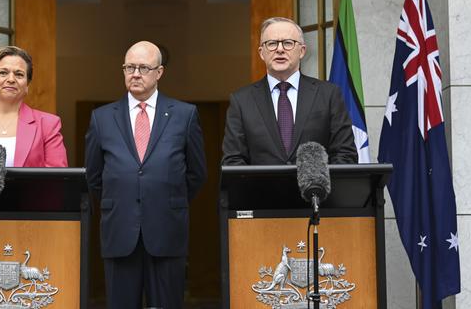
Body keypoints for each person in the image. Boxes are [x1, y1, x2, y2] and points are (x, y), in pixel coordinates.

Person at [85, 41, 207, 309]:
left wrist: (166, 199)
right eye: (129, 67)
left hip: (167, 230)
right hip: (119, 231)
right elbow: (94, 178)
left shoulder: (185, 115)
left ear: (159, 72)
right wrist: (121, 199)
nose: (135, 73)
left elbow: (197, 174)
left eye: (143, 67)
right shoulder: (101, 118)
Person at [222, 17, 357, 165]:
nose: (280, 49)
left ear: (302, 51)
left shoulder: (329, 95)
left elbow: (344, 154)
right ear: (261, 53)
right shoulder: (241, 101)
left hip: (315, 188)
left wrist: (320, 187)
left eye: (288, 43)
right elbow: (233, 161)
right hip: (261, 188)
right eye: (272, 44)